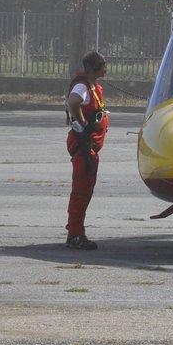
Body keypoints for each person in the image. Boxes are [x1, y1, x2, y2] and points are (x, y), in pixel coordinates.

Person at [64, 51, 109, 249]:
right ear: (96, 67)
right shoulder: (82, 86)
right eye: (103, 65)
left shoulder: (91, 85)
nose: (106, 68)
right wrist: (81, 123)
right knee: (81, 193)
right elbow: (73, 102)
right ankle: (75, 235)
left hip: (89, 148)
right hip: (84, 146)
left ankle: (75, 232)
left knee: (84, 192)